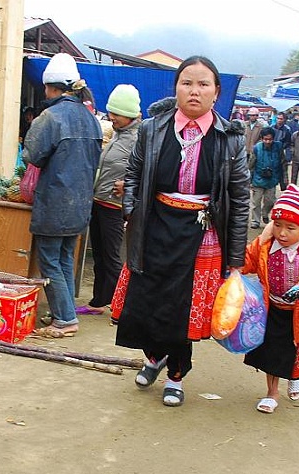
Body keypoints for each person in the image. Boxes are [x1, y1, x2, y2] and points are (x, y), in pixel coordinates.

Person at [110, 55, 249, 407]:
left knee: (182, 308)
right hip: (154, 225)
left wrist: (234, 261)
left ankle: (175, 374)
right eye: (187, 82)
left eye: (204, 84)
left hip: (202, 233)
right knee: (148, 300)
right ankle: (155, 355)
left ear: (217, 92)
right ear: (176, 88)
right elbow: (134, 174)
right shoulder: (152, 129)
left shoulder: (230, 139)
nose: (194, 91)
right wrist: (131, 212)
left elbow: (239, 198)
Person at [23, 53, 103, 338]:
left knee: (50, 261)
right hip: (81, 204)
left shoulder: (51, 117)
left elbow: (32, 154)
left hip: (55, 203)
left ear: (51, 88)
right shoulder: (91, 118)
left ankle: (65, 319)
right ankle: (63, 312)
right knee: (66, 258)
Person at [241, 186, 299, 414]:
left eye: (291, 228)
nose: (282, 233)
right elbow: (245, 263)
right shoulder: (264, 247)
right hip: (272, 309)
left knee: (293, 350)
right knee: (272, 352)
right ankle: (272, 393)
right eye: (278, 225)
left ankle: (294, 376)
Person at [78, 84, 142, 316]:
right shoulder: (117, 134)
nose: (111, 116)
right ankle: (98, 301)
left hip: (115, 207)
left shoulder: (139, 139)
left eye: (116, 113)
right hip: (99, 202)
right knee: (100, 257)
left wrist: (128, 185)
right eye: (110, 112)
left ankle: (120, 305)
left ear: (130, 114)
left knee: (113, 258)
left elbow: (149, 173)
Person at [249, 128, 287, 227]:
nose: (267, 141)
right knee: (256, 202)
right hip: (258, 178)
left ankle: (265, 213)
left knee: (270, 201)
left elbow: (283, 163)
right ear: (261, 139)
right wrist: (248, 178)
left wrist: (284, 179)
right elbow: (251, 164)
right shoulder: (257, 148)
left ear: (273, 139)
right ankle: (255, 221)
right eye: (265, 139)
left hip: (272, 179)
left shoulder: (278, 147)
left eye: (270, 139)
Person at [272, 112, 294, 180]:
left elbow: (288, 142)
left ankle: (284, 185)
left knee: (283, 170)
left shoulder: (287, 129)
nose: (279, 120)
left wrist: (281, 148)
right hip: (271, 150)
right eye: (278, 118)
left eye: (281, 119)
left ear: (284, 119)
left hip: (282, 151)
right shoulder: (271, 127)